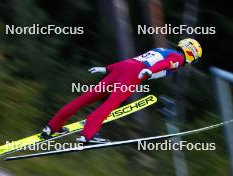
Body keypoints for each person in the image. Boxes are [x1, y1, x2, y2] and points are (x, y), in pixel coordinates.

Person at [41, 38, 202, 143]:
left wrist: (106, 69)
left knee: (86, 98)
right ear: (191, 55)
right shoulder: (178, 58)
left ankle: (51, 127)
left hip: (123, 67)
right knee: (110, 105)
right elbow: (165, 64)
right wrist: (150, 71)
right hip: (135, 74)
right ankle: (87, 135)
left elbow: (132, 61)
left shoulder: (163, 49)